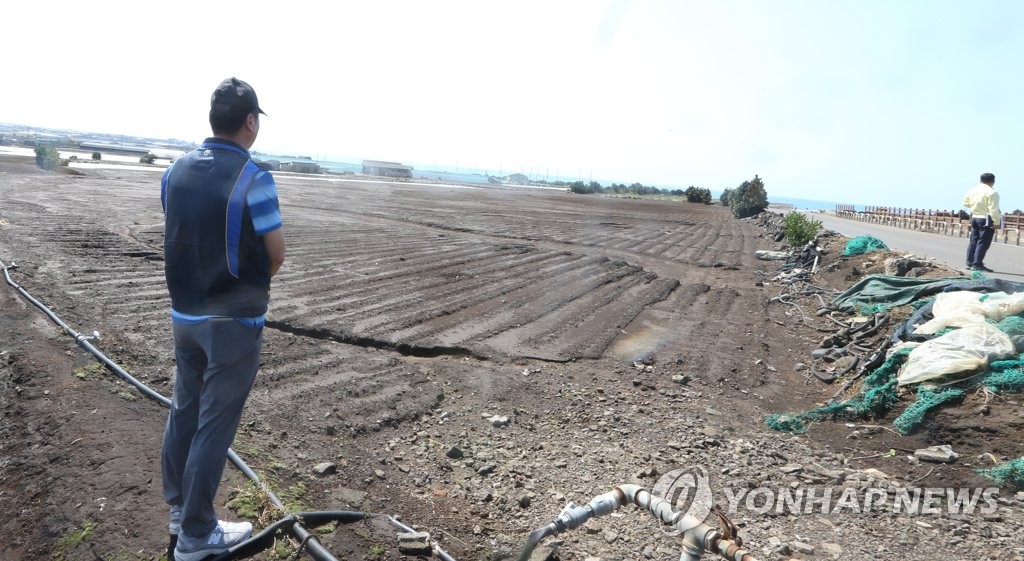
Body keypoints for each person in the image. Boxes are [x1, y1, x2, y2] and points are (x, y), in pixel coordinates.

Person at [160, 77, 285, 561]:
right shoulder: (255, 178)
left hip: (183, 314)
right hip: (233, 323)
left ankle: (178, 512)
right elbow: (275, 253)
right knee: (214, 424)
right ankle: (196, 535)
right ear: (250, 122)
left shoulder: (175, 171)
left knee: (183, 411)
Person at [963, 172, 1000, 272]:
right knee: (983, 242)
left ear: (980, 180)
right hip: (986, 218)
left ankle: (970, 262)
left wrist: (976, 207)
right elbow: (993, 209)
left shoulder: (972, 190)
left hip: (975, 217)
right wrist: (996, 222)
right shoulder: (992, 192)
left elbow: (965, 203)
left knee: (974, 241)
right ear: (993, 181)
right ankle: (977, 264)